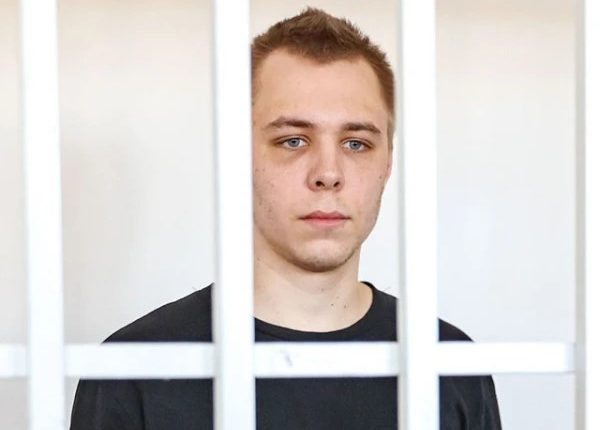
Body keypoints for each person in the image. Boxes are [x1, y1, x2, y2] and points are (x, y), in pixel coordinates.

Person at [70, 7, 502, 430]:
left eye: (356, 143)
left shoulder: (448, 365)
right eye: (293, 140)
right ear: (236, 155)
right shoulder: (135, 370)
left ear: (387, 163)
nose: (328, 174)